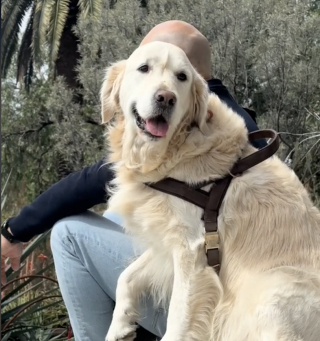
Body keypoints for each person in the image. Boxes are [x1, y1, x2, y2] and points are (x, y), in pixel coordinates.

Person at [1, 20, 266, 340]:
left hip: (209, 313)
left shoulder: (200, 125)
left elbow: (91, 182)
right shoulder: (235, 118)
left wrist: (14, 232)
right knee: (117, 214)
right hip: (240, 296)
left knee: (68, 233)